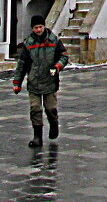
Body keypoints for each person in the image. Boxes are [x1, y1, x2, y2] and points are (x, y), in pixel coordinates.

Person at [13, 14, 69, 147]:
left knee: (50, 108)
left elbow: (64, 56)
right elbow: (22, 64)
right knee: (35, 109)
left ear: (44, 26)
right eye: (36, 27)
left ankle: (54, 124)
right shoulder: (29, 43)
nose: (38, 30)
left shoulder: (53, 40)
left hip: (50, 80)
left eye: (40, 27)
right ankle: (37, 136)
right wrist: (17, 83)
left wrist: (57, 66)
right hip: (34, 81)